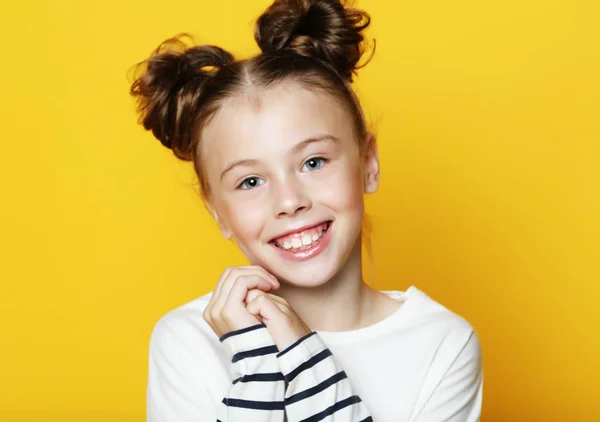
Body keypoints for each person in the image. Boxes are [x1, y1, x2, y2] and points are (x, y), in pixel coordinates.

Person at [130, 0, 483, 421]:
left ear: (367, 164)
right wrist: (257, 366)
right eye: (251, 181)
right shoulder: (188, 341)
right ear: (217, 211)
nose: (289, 201)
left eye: (313, 162)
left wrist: (301, 351)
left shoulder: (441, 345)